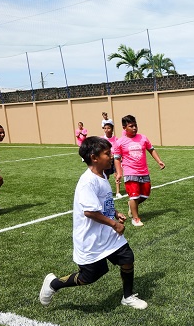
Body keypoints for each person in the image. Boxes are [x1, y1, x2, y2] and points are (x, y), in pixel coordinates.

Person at [39, 137, 147, 309]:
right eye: (107, 153)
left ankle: (127, 296)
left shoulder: (103, 174)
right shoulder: (87, 182)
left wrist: (115, 213)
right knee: (89, 276)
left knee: (127, 258)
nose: (111, 156)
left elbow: (101, 203)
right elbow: (89, 212)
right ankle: (54, 284)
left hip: (107, 234)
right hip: (91, 237)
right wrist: (114, 224)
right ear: (94, 157)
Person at [113, 114, 165, 227]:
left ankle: (131, 205)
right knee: (134, 195)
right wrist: (119, 173)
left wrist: (159, 161)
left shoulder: (143, 138)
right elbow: (117, 159)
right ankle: (135, 219)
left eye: (135, 125)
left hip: (144, 171)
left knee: (145, 194)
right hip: (130, 172)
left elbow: (151, 150)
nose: (134, 128)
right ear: (124, 128)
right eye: (131, 126)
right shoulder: (120, 142)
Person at [102, 122, 122, 198]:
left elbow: (118, 149)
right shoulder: (102, 139)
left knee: (117, 174)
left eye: (109, 128)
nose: (107, 130)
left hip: (115, 159)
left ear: (112, 129)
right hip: (106, 160)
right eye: (105, 128)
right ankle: (106, 191)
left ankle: (118, 192)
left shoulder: (116, 139)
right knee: (105, 176)